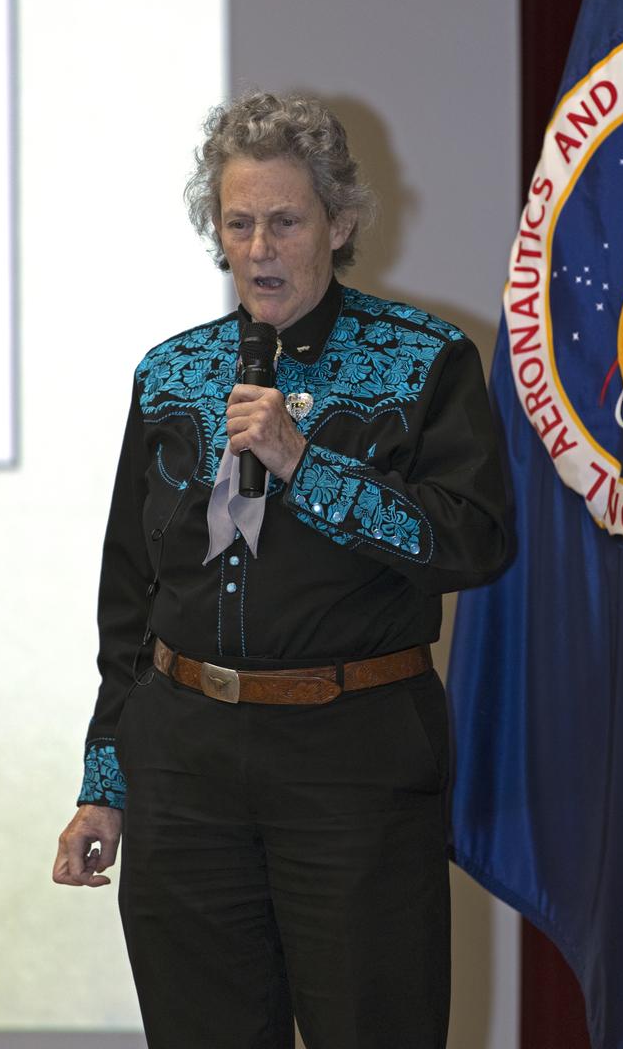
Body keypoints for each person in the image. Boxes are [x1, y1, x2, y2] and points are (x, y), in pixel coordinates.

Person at [53, 90, 510, 1048]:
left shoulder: (428, 360)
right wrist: (106, 783)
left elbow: (474, 541)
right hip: (185, 765)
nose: (260, 248)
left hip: (355, 759)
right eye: (239, 223)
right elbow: (130, 593)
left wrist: (307, 464)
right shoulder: (169, 373)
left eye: (286, 221)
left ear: (338, 224)